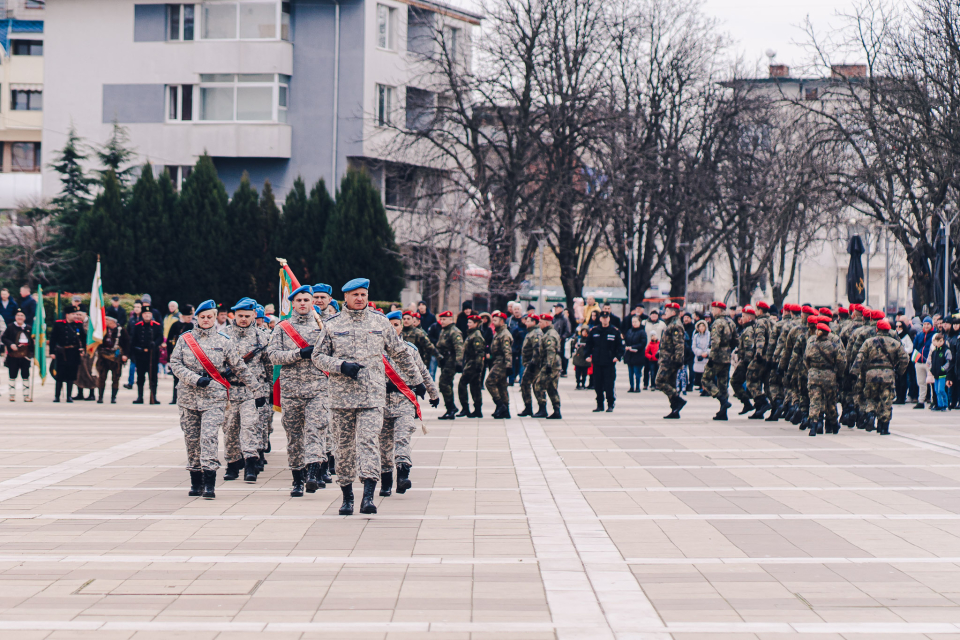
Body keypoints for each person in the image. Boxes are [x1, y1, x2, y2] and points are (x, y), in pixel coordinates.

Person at [311, 278, 424, 516]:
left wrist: (416, 381)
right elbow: (317, 357)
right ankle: (347, 496)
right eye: (355, 295)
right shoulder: (332, 324)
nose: (360, 298)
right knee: (343, 448)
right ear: (346, 298)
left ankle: (369, 496)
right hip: (341, 398)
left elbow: (400, 353)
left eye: (363, 294)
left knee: (369, 443)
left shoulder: (380, 323)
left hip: (372, 396)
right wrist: (340, 365)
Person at [169, 299, 258, 499]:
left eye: (210, 317)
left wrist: (257, 389)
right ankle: (195, 480)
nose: (207, 320)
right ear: (197, 318)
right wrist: (194, 379)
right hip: (188, 398)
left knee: (209, 438)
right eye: (203, 317)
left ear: (215, 318)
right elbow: (174, 363)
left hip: (214, 399)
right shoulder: (185, 339)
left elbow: (239, 367)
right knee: (192, 440)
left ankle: (210, 482)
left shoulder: (224, 341)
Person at [267, 285, 329, 497]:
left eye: (307, 300)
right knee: (294, 436)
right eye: (299, 300)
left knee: (315, 429)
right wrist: (298, 354)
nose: (303, 303)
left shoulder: (324, 326)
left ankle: (312, 473)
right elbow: (273, 356)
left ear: (313, 303)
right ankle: (297, 478)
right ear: (292, 304)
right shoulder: (282, 328)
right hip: (291, 390)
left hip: (318, 388)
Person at [380, 310, 439, 496]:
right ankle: (386, 482)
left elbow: (422, 372)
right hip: (380, 404)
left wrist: (433, 393)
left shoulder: (410, 350)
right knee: (383, 445)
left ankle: (403, 475)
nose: (393, 328)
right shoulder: (374, 350)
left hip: (404, 402)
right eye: (389, 325)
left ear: (401, 326)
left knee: (402, 438)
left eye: (396, 324)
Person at [222, 298, 272, 484]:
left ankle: (251, 464)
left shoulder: (262, 337)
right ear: (234, 315)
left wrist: (269, 390)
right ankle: (233, 464)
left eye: (247, 316)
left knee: (250, 426)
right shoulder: (224, 335)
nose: (243, 319)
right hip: (230, 390)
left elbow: (268, 365)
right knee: (230, 428)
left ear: (254, 316)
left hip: (253, 390)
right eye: (240, 316)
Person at [852, 318, 909, 434]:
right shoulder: (895, 343)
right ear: (888, 330)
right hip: (888, 375)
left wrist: (855, 372)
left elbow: (859, 357)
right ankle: (883, 427)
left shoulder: (868, 342)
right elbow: (905, 358)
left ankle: (870, 414)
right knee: (886, 400)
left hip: (871, 375)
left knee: (871, 398)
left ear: (877, 329)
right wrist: (899, 371)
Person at [803, 319, 847, 436]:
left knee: (814, 401)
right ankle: (833, 424)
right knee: (831, 401)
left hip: (813, 375)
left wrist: (811, 370)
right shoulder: (833, 345)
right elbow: (841, 361)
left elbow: (806, 359)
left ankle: (813, 425)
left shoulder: (811, 343)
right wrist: (839, 374)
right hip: (829, 375)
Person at [702, 301, 737, 420]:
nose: (712, 311)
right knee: (723, 384)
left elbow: (715, 342)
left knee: (706, 379)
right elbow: (735, 340)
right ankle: (723, 412)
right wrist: (727, 349)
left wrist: (712, 357)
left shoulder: (717, 323)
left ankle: (722, 400)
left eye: (713, 309)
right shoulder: (731, 322)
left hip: (717, 357)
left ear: (718, 310)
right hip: (727, 357)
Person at [585, 311, 624, 412]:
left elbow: (620, 346)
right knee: (597, 384)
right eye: (603, 317)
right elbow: (588, 345)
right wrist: (587, 355)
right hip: (597, 362)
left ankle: (610, 404)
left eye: (607, 317)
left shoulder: (614, 331)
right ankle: (599, 405)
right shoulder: (594, 331)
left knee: (609, 384)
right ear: (600, 319)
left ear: (609, 319)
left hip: (609, 363)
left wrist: (618, 357)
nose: (605, 319)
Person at [656, 302, 687, 418]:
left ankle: (678, 400)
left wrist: (678, 360)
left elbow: (678, 344)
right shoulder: (670, 324)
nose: (665, 313)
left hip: (670, 361)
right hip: (667, 358)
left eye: (667, 311)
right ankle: (675, 409)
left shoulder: (675, 325)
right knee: (671, 384)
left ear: (673, 312)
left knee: (659, 381)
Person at [129, 305, 164, 404]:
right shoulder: (138, 326)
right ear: (142, 315)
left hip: (152, 356)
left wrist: (155, 344)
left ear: (151, 315)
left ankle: (153, 396)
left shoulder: (156, 325)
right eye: (145, 314)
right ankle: (140, 397)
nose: (147, 315)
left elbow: (160, 337)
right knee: (140, 377)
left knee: (153, 377)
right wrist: (133, 354)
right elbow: (133, 340)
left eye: (149, 314)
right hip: (141, 356)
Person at [50, 305, 85, 403]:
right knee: (59, 375)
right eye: (73, 314)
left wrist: (83, 349)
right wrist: (52, 352)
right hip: (62, 352)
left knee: (71, 375)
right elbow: (53, 338)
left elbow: (83, 337)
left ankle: (69, 396)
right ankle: (57, 396)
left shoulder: (78, 324)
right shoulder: (59, 324)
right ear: (67, 315)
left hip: (73, 352)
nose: (75, 316)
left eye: (76, 314)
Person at [435, 310, 464, 420]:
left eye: (444, 319)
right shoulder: (444, 331)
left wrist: (458, 363)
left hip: (451, 361)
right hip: (444, 361)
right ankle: (450, 408)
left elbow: (459, 348)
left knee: (444, 384)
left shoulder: (454, 331)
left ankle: (451, 407)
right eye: (441, 319)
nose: (442, 321)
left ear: (450, 319)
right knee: (446, 384)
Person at [731, 305, 759, 415]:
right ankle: (751, 403)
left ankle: (748, 403)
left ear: (749, 318)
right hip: (747, 361)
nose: (741, 319)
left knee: (735, 381)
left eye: (743, 316)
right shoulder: (749, 328)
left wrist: (746, 362)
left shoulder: (748, 330)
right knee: (751, 384)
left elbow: (749, 348)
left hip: (746, 361)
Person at [534, 313, 563, 418]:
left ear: (546, 323)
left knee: (538, 384)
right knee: (551, 387)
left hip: (551, 364)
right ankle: (556, 410)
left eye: (541, 322)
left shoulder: (550, 334)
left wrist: (548, 365)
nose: (539, 324)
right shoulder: (549, 332)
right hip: (553, 364)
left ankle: (542, 408)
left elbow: (551, 350)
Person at [487, 311, 514, 419]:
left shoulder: (504, 334)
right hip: (498, 361)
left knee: (489, 382)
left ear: (502, 321)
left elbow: (507, 351)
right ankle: (505, 410)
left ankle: (500, 405)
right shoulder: (498, 332)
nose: (493, 322)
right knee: (502, 386)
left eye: (495, 320)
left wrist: (508, 366)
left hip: (501, 363)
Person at [95, 315, 127, 404]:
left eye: (107, 320)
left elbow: (127, 343)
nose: (105, 322)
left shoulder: (121, 330)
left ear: (112, 322)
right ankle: (100, 396)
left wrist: (125, 355)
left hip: (116, 358)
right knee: (101, 378)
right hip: (103, 357)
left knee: (116, 378)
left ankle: (113, 397)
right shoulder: (102, 330)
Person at [166, 305, 195, 404]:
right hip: (177, 354)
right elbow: (169, 341)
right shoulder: (175, 325)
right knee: (176, 378)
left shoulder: (192, 326)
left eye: (190, 317)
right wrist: (170, 354)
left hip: (189, 355)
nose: (189, 319)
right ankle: (175, 397)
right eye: (188, 317)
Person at [458, 315, 486, 417]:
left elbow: (479, 352)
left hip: (473, 364)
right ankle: (477, 410)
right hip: (471, 363)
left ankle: (466, 408)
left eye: (470, 322)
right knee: (475, 386)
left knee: (462, 384)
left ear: (476, 324)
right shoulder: (472, 334)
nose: (468, 324)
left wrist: (478, 367)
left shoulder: (476, 335)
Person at [1, 310, 32, 401]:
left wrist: (32, 353)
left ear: (24, 318)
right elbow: (4, 338)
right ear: (15, 317)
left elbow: (32, 342)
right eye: (18, 315)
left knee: (25, 375)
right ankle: (12, 395)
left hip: (25, 355)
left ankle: (26, 395)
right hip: (13, 355)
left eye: (22, 315)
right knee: (12, 375)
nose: (20, 317)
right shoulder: (11, 327)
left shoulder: (28, 328)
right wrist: (11, 344)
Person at [517, 314, 542, 416]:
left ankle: (542, 407)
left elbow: (537, 350)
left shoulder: (536, 333)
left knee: (537, 386)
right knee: (525, 384)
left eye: (528, 321)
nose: (526, 323)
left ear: (534, 322)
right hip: (529, 363)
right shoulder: (530, 332)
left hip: (534, 364)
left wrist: (533, 362)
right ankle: (528, 407)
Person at [913, 316, 936, 409]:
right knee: (921, 382)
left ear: (931, 325)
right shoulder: (919, 335)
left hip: (929, 361)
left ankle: (933, 400)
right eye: (925, 324)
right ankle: (921, 401)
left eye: (928, 324)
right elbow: (915, 346)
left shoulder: (934, 334)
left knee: (931, 382)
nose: (926, 326)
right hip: (919, 361)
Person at [929, 332, 953, 412]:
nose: (939, 343)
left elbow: (949, 362)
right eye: (937, 341)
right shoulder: (934, 352)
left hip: (942, 374)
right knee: (936, 390)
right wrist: (931, 368)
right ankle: (939, 405)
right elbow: (933, 362)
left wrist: (943, 368)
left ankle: (945, 404)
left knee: (941, 390)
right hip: (936, 374)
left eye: (941, 341)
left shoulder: (946, 350)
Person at [623, 314, 647, 393]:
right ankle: (631, 386)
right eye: (633, 322)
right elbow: (626, 341)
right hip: (630, 355)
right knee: (630, 373)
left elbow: (643, 343)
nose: (634, 323)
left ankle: (637, 387)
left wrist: (633, 347)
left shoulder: (642, 332)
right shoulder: (629, 331)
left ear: (639, 322)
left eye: (636, 322)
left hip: (638, 355)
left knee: (637, 373)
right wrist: (626, 346)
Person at [642, 310, 666, 389]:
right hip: (647, 347)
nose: (654, 316)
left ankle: (655, 383)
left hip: (657, 348)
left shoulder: (662, 324)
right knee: (646, 368)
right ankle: (645, 383)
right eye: (652, 315)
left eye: (655, 315)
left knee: (656, 369)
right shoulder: (645, 323)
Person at [123, 300, 142, 389]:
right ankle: (130, 382)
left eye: (138, 307)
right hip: (132, 345)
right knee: (132, 365)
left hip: (141, 345)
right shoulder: (131, 319)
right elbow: (128, 332)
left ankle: (140, 382)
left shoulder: (144, 319)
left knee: (141, 367)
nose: (136, 309)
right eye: (135, 307)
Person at [508, 304, 527, 386]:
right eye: (515, 309)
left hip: (523, 348)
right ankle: (511, 380)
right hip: (514, 347)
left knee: (521, 365)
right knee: (512, 364)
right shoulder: (509, 321)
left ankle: (521, 381)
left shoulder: (526, 327)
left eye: (518, 309)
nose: (516, 310)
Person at [552, 304, 572, 377]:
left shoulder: (564, 318)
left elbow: (568, 331)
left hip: (561, 341)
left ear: (561, 309)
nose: (556, 309)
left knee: (562, 355)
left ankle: (563, 370)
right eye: (555, 308)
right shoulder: (554, 318)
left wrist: (562, 337)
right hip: (553, 340)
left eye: (557, 308)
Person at [691, 319, 710, 392]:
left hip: (706, 357)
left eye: (703, 326)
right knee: (699, 374)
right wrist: (700, 353)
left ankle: (706, 389)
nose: (701, 328)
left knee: (706, 375)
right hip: (699, 357)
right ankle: (702, 388)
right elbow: (693, 346)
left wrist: (706, 352)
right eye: (700, 326)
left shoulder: (709, 335)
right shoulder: (696, 336)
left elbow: (711, 345)